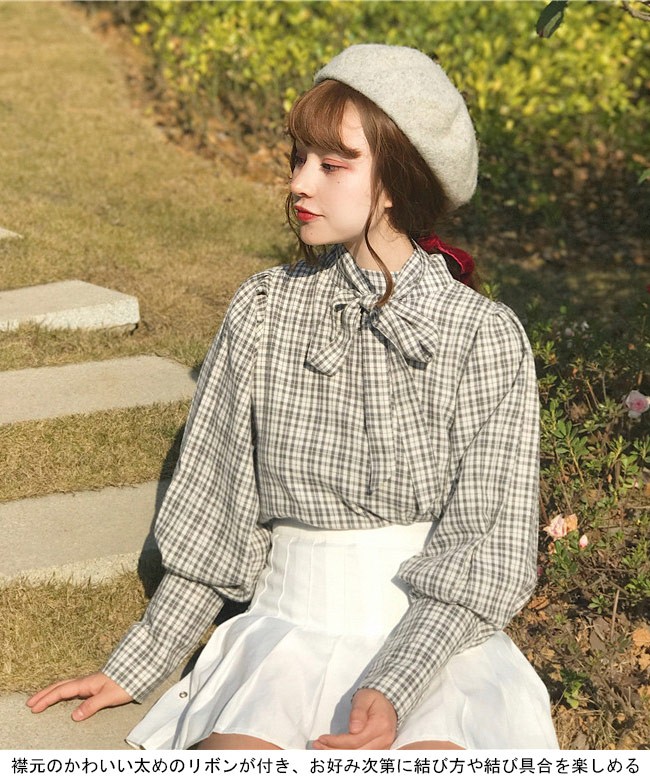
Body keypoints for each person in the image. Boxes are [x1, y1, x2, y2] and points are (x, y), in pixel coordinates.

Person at [27, 44, 559, 751]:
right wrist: (141, 661)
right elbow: (217, 512)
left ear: (397, 181)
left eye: (332, 165)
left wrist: (394, 682)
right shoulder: (263, 310)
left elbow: (487, 547)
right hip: (282, 640)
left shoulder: (483, 335)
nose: (299, 182)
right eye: (299, 157)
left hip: (438, 650)